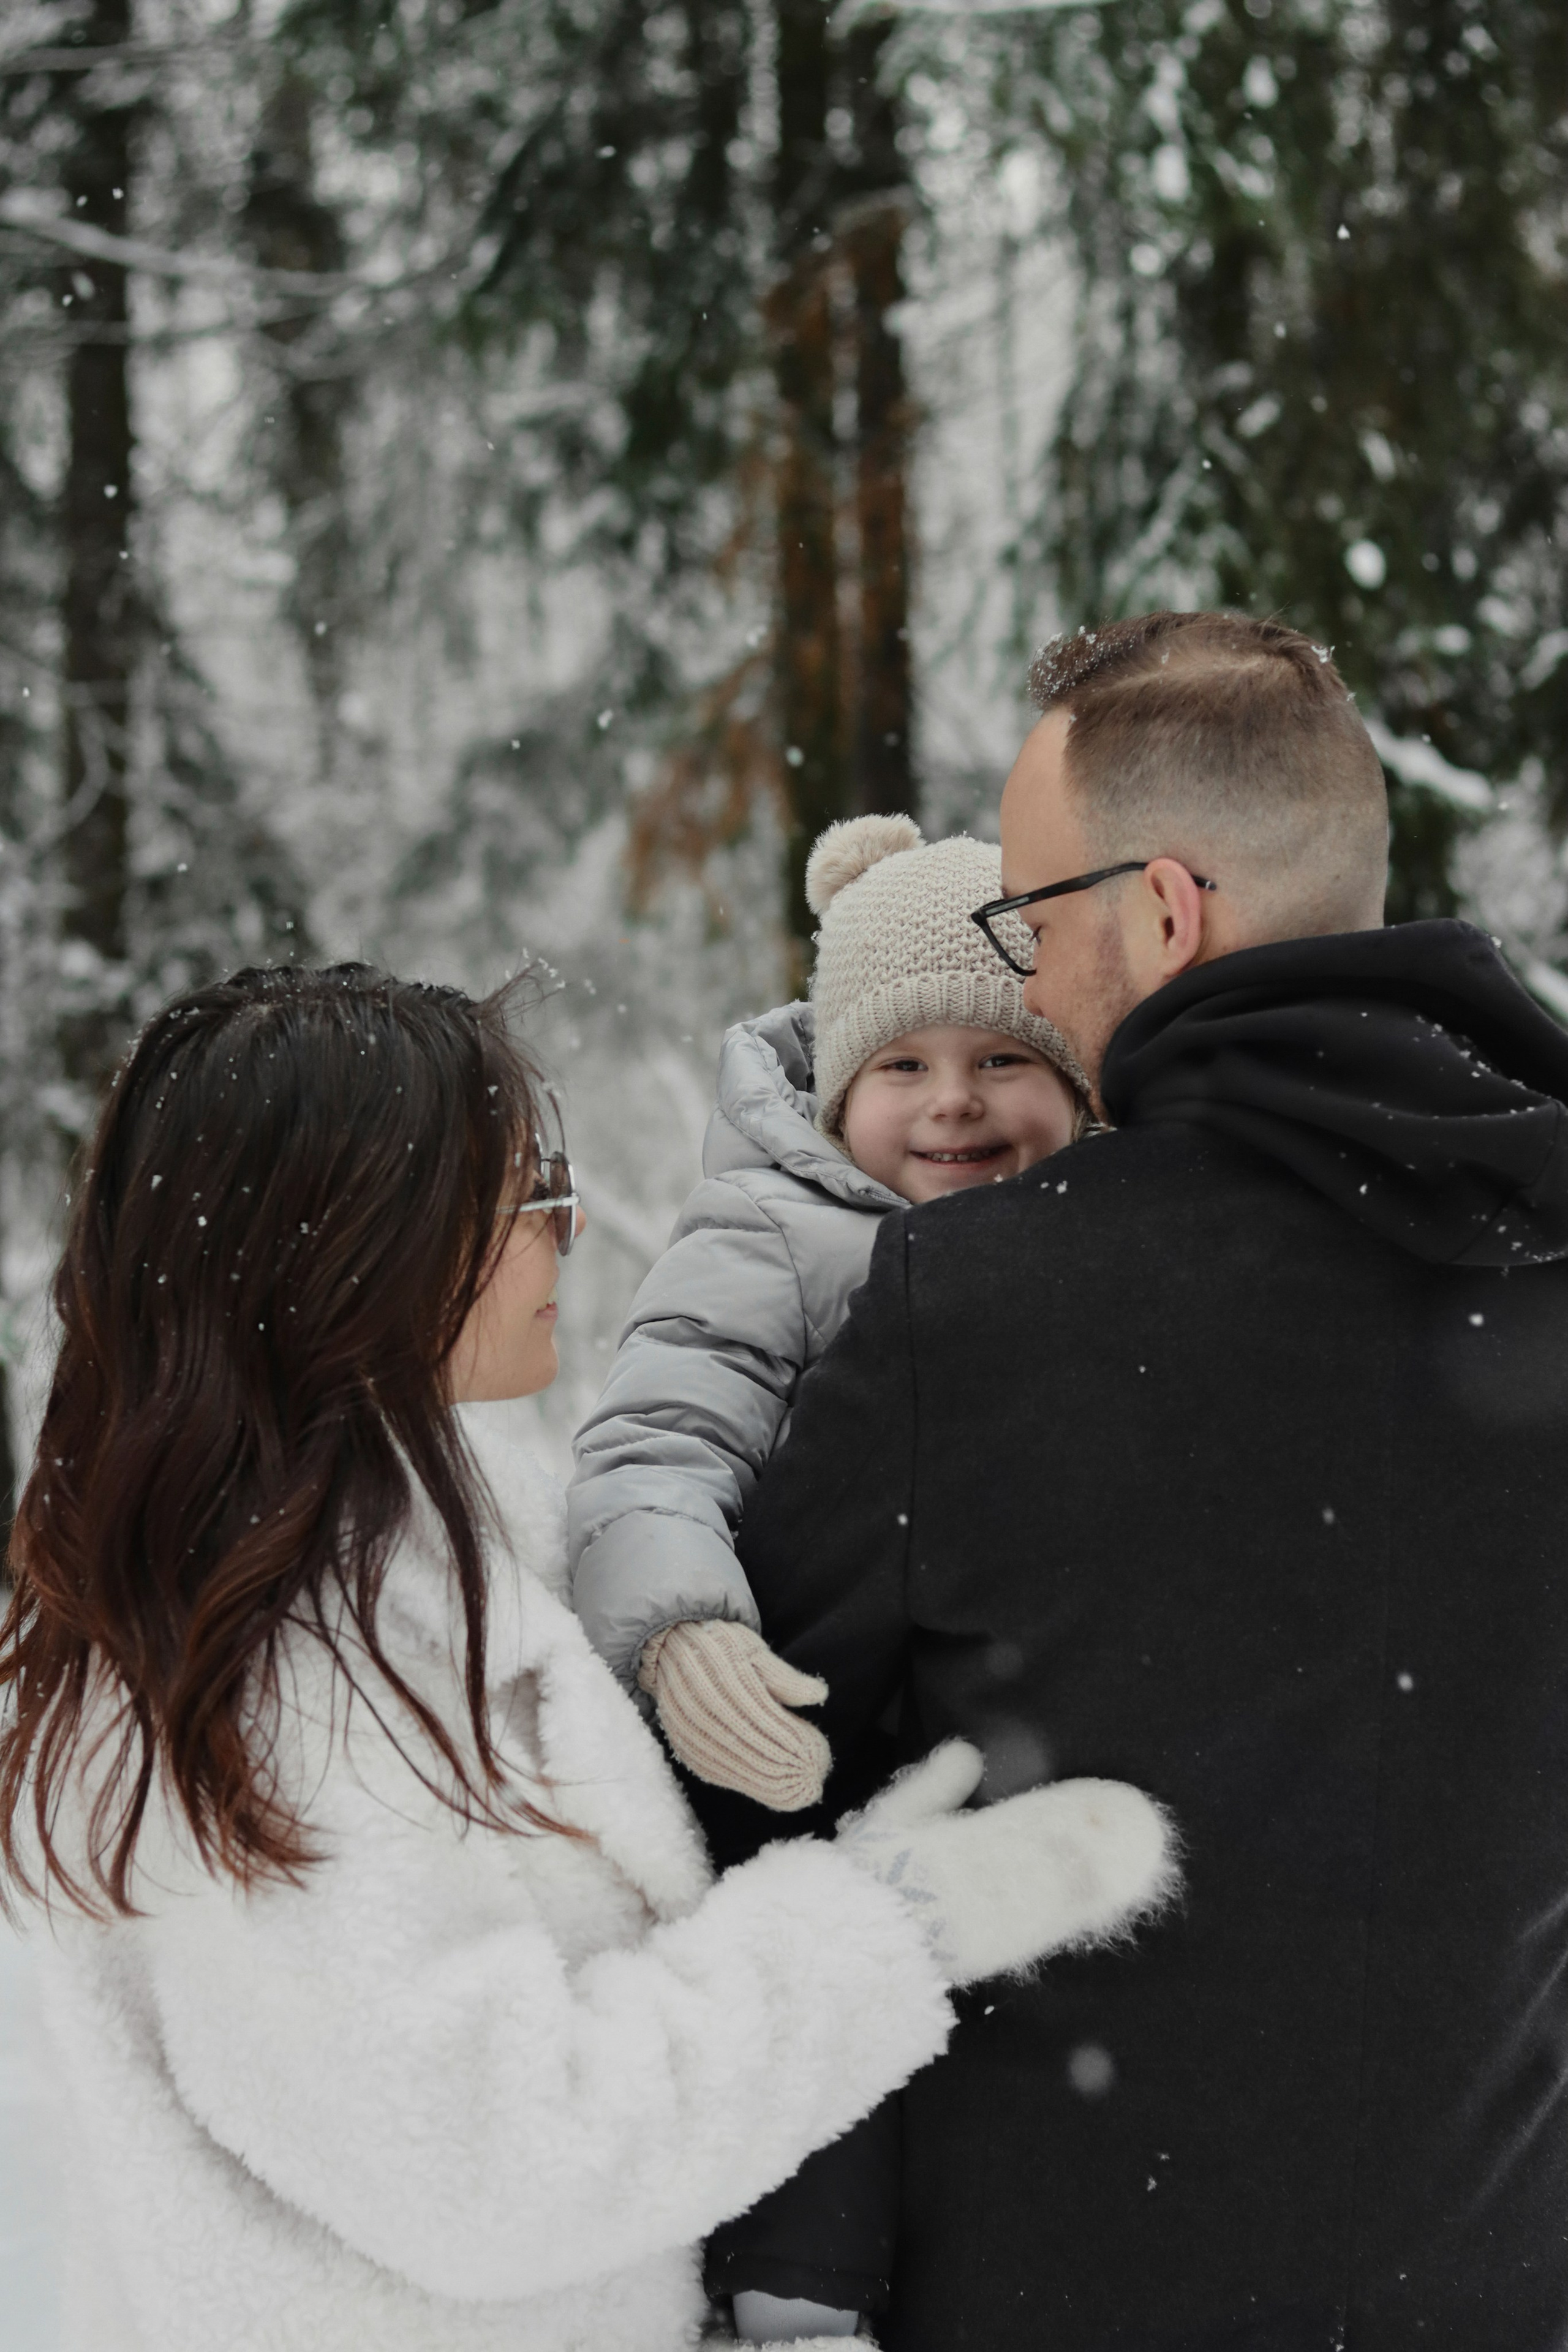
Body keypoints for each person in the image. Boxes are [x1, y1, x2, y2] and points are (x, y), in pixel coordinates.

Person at [0, 962, 1177, 2352]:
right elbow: (491, 2159)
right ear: (356, 1241)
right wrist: (891, 1926)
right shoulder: (276, 1668)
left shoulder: (410, 1558)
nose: (566, 1234)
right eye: (527, 1196)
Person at [707, 610, 1568, 2349]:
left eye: (1030, 914)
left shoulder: (975, 1307)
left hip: (1057, 2295)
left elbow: (757, 1799)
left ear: (1165, 911)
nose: (1018, 974)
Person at [570, 816, 1087, 1812]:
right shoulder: (776, 1233)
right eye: (902, 1066)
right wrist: (686, 1632)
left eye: (1001, 1060)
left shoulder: (1108, 1229)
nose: (953, 1102)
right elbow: (657, 1444)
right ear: (838, 1099)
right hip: (827, 1724)